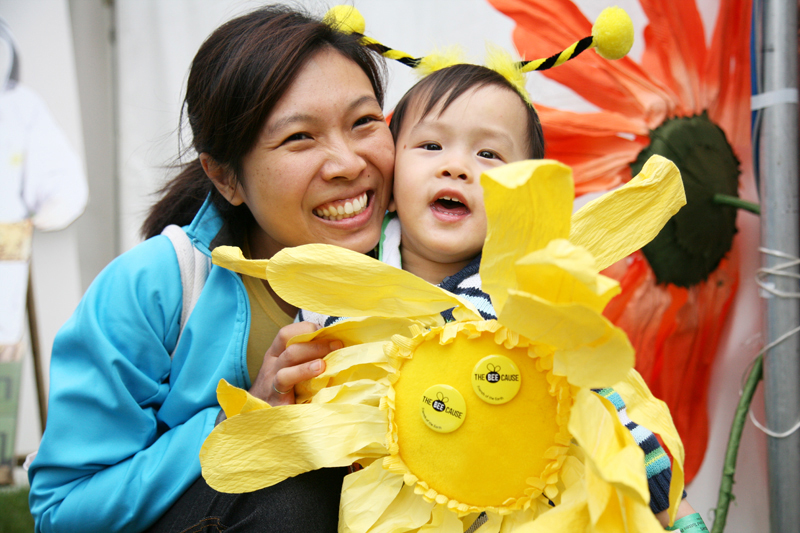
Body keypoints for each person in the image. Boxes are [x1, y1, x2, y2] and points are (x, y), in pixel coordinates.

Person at [27, 5, 395, 532]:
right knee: (292, 492)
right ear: (225, 177)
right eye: (300, 138)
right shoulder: (155, 286)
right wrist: (241, 420)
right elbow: (62, 511)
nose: (349, 163)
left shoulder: (418, 263)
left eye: (363, 122)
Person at [301, 61, 704, 531]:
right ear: (388, 184)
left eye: (489, 155)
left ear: (524, 202)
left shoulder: (528, 300)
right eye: (431, 145)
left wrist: (673, 512)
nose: (455, 165)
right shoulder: (347, 291)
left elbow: (609, 409)